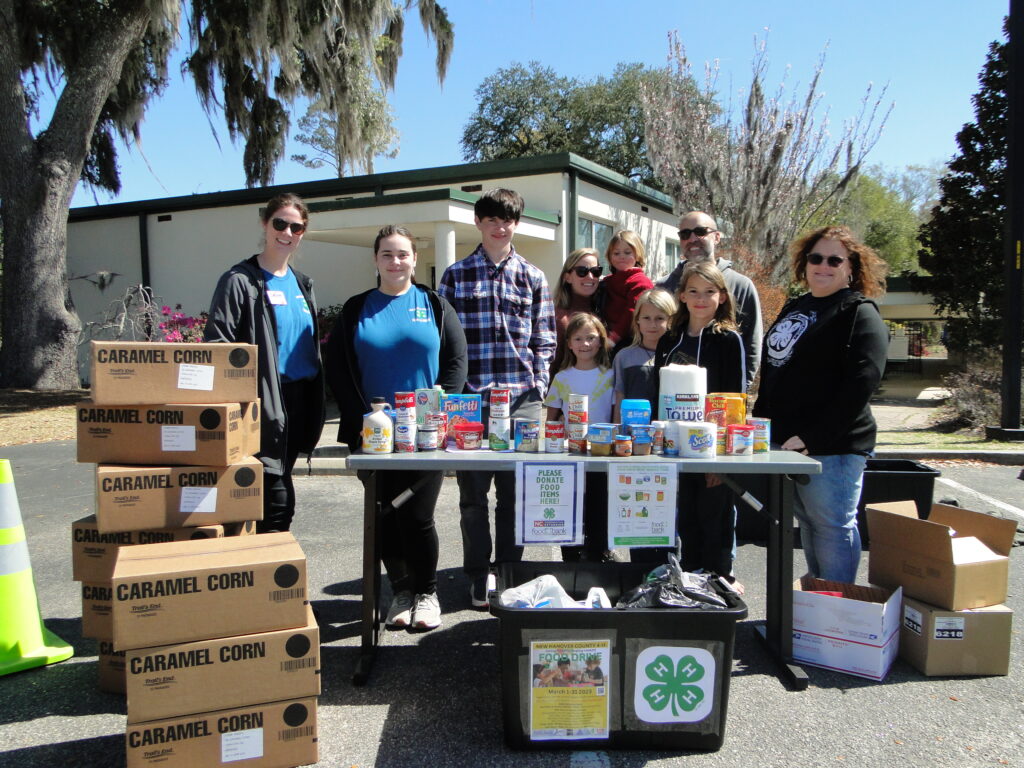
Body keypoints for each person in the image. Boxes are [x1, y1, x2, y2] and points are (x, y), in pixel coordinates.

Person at [324, 225, 467, 631]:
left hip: (426, 435)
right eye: (387, 254)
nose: (395, 261)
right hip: (374, 435)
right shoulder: (357, 308)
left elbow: (457, 362)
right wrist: (363, 419)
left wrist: (440, 412)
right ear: (376, 260)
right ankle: (402, 591)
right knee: (383, 516)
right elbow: (337, 367)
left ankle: (427, 593)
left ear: (414, 259)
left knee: (417, 515)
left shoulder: (436, 305)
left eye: (402, 253)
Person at [437, 189, 557, 608]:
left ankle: (508, 572)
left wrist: (539, 387)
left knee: (515, 495)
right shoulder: (455, 275)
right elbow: (445, 341)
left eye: (507, 219)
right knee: (472, 497)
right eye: (491, 219)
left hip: (521, 398)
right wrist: (452, 396)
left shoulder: (533, 276)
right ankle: (478, 575)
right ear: (478, 223)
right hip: (471, 401)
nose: (499, 226)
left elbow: (545, 338)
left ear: (516, 224)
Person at [753, 225, 888, 584]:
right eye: (816, 257)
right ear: (804, 262)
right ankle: (819, 603)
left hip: (832, 447)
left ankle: (839, 614)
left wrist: (813, 436)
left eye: (834, 260)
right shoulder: (798, 305)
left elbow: (862, 384)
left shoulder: (859, 312)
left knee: (832, 525)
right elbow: (774, 369)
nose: (823, 266)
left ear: (851, 268)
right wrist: (760, 425)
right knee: (810, 524)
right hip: (786, 442)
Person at [204, 193, 325, 533]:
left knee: (280, 481)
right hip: (262, 403)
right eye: (280, 223)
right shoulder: (240, 280)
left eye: (296, 227)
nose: (287, 232)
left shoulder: (303, 284)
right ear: (265, 223)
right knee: (274, 493)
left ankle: (263, 562)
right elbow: (217, 346)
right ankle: (267, 565)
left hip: (299, 400)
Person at [637, 262, 746, 582]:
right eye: (693, 291)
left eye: (709, 292)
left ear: (722, 297)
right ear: (682, 296)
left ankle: (719, 582)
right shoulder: (670, 339)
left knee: (715, 518)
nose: (701, 299)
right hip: (674, 446)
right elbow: (659, 392)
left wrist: (721, 461)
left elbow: (734, 399)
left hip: (710, 450)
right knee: (686, 517)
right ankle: (691, 582)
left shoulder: (728, 339)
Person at [657, 211, 762, 390]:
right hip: (673, 399)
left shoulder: (741, 285)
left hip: (720, 399)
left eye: (700, 231)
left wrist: (739, 391)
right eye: (685, 234)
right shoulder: (663, 286)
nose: (692, 238)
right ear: (682, 295)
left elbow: (752, 343)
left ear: (717, 236)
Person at [544, 313, 615, 561]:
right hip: (569, 454)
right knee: (571, 505)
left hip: (601, 452)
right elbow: (551, 418)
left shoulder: (610, 375)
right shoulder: (562, 377)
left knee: (599, 504)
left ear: (601, 341)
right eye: (578, 338)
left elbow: (615, 414)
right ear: (570, 344)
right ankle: (570, 556)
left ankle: (600, 554)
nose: (585, 344)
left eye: (591, 338)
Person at [611, 288, 677, 421]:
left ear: (671, 320)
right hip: (634, 431)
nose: (652, 324)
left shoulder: (678, 356)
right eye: (646, 318)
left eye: (659, 318)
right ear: (637, 320)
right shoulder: (624, 357)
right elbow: (619, 399)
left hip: (669, 432)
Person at [599, 230, 654, 346]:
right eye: (616, 253)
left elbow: (631, 313)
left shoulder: (640, 282)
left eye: (627, 252)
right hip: (604, 333)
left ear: (637, 255)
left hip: (630, 340)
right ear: (609, 256)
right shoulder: (607, 281)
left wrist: (614, 337)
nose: (621, 257)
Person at [553, 247, 603, 363]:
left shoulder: (606, 309)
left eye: (595, 271)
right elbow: (553, 365)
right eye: (582, 271)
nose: (590, 277)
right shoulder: (559, 319)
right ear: (567, 277)